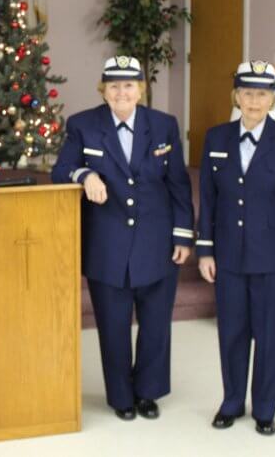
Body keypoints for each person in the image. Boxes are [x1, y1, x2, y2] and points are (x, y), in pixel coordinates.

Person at [51, 56, 193, 422]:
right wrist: (84, 174)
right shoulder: (83, 124)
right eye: (113, 86)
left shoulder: (163, 125)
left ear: (140, 90)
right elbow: (60, 169)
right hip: (107, 243)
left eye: (129, 85)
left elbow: (177, 182)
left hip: (157, 240)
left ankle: (148, 392)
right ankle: (121, 397)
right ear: (103, 90)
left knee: (156, 323)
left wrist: (182, 234)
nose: (121, 92)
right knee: (112, 325)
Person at [197, 60, 275, 436]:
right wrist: (206, 250)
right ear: (237, 96)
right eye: (247, 93)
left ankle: (264, 408)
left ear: (272, 98)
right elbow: (209, 199)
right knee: (231, 331)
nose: (254, 101)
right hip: (229, 253)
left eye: (262, 94)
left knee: (269, 334)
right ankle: (232, 402)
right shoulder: (216, 138)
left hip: (273, 256)